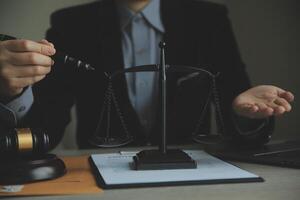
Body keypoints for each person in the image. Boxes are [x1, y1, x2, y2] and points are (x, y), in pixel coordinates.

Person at [0, 0, 294, 149]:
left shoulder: (208, 19)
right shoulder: (72, 24)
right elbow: (45, 129)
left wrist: (244, 111)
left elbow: (236, 105)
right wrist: (12, 94)